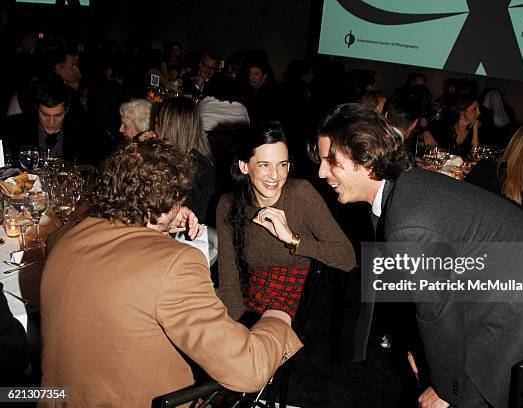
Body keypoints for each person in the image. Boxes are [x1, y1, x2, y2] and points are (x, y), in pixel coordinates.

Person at [314, 103, 523, 408]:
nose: (322, 172)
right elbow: (415, 295)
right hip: (502, 286)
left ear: (365, 160)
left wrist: (445, 389)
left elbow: (438, 315)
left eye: (331, 160)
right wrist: (419, 350)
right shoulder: (399, 189)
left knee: (468, 398)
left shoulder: (408, 223)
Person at [39, 139, 302, 406]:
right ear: (167, 204)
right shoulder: (175, 264)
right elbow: (248, 369)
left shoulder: (62, 238)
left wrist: (159, 222)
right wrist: (277, 321)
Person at [216, 122, 355, 320]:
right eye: (264, 165)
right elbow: (229, 277)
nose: (275, 175)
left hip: (290, 307)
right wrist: (238, 324)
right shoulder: (228, 204)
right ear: (244, 166)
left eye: (283, 164)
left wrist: (293, 240)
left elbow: (347, 257)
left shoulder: (300, 195)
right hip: (248, 301)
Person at [155, 96, 216, 224]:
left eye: (157, 122)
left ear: (167, 127)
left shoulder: (196, 170)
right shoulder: (196, 160)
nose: (154, 127)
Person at [427, 93, 481, 157]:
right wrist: (425, 132)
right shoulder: (445, 127)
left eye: (478, 109)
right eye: (474, 109)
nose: (479, 112)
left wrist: (475, 131)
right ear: (462, 110)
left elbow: (475, 156)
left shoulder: (477, 130)